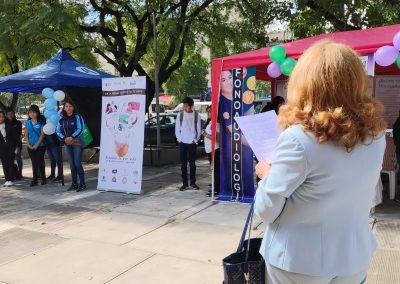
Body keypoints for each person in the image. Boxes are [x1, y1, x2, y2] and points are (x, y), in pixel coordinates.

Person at [254, 40, 386, 284]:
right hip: (354, 257)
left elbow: (266, 210)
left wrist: (267, 174)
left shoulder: (297, 139)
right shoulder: (376, 137)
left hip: (298, 262)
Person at [219, 70, 254, 200]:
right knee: (236, 176)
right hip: (233, 150)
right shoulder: (223, 103)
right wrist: (253, 143)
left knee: (247, 175)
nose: (228, 82)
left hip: (244, 148)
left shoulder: (239, 98)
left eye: (230, 77)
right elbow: (233, 132)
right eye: (223, 80)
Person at [56, 99, 86, 192]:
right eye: (66, 106)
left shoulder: (78, 117)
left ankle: (82, 184)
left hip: (77, 142)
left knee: (77, 163)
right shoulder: (61, 120)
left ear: (73, 107)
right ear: (64, 108)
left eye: (70, 106)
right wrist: (64, 138)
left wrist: (72, 137)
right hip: (67, 143)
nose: (68, 108)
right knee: (72, 164)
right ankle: (74, 183)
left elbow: (80, 129)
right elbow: (57, 131)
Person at [175, 97, 201, 191]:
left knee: (192, 164)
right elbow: (177, 128)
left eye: (186, 106)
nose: (185, 107)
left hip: (192, 143)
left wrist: (195, 139)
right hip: (183, 142)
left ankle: (193, 183)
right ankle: (185, 184)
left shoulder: (196, 115)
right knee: (183, 164)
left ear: (191, 106)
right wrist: (179, 139)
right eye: (184, 105)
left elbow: (198, 129)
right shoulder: (180, 115)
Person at [25, 105, 46, 187]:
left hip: (41, 145)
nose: (32, 114)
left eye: (34, 112)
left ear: (37, 112)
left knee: (40, 161)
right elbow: (26, 135)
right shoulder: (27, 123)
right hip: (30, 146)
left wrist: (37, 145)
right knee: (34, 162)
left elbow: (42, 135)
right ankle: (34, 180)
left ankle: (43, 178)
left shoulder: (41, 122)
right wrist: (28, 145)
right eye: (30, 112)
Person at [202, 105, 220, 197]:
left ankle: (217, 189)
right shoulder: (210, 122)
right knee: (214, 169)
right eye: (207, 111)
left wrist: (205, 134)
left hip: (215, 149)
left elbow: (216, 138)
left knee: (216, 170)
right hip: (210, 149)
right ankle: (215, 187)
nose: (208, 113)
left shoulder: (215, 123)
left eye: (209, 111)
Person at [0, 111, 17, 186]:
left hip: (10, 147)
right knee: (4, 164)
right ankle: (7, 179)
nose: (1, 118)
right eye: (0, 116)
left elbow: (14, 136)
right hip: (1, 148)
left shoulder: (8, 124)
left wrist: (16, 146)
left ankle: (10, 179)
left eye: (3, 116)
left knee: (10, 163)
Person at [6, 108, 23, 180]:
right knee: (10, 160)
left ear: (14, 114)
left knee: (18, 158)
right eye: (8, 114)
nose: (10, 115)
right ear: (6, 115)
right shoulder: (4, 123)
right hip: (7, 145)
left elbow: (18, 134)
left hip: (16, 144)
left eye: (12, 114)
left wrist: (17, 145)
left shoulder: (18, 123)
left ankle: (20, 173)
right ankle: (12, 173)